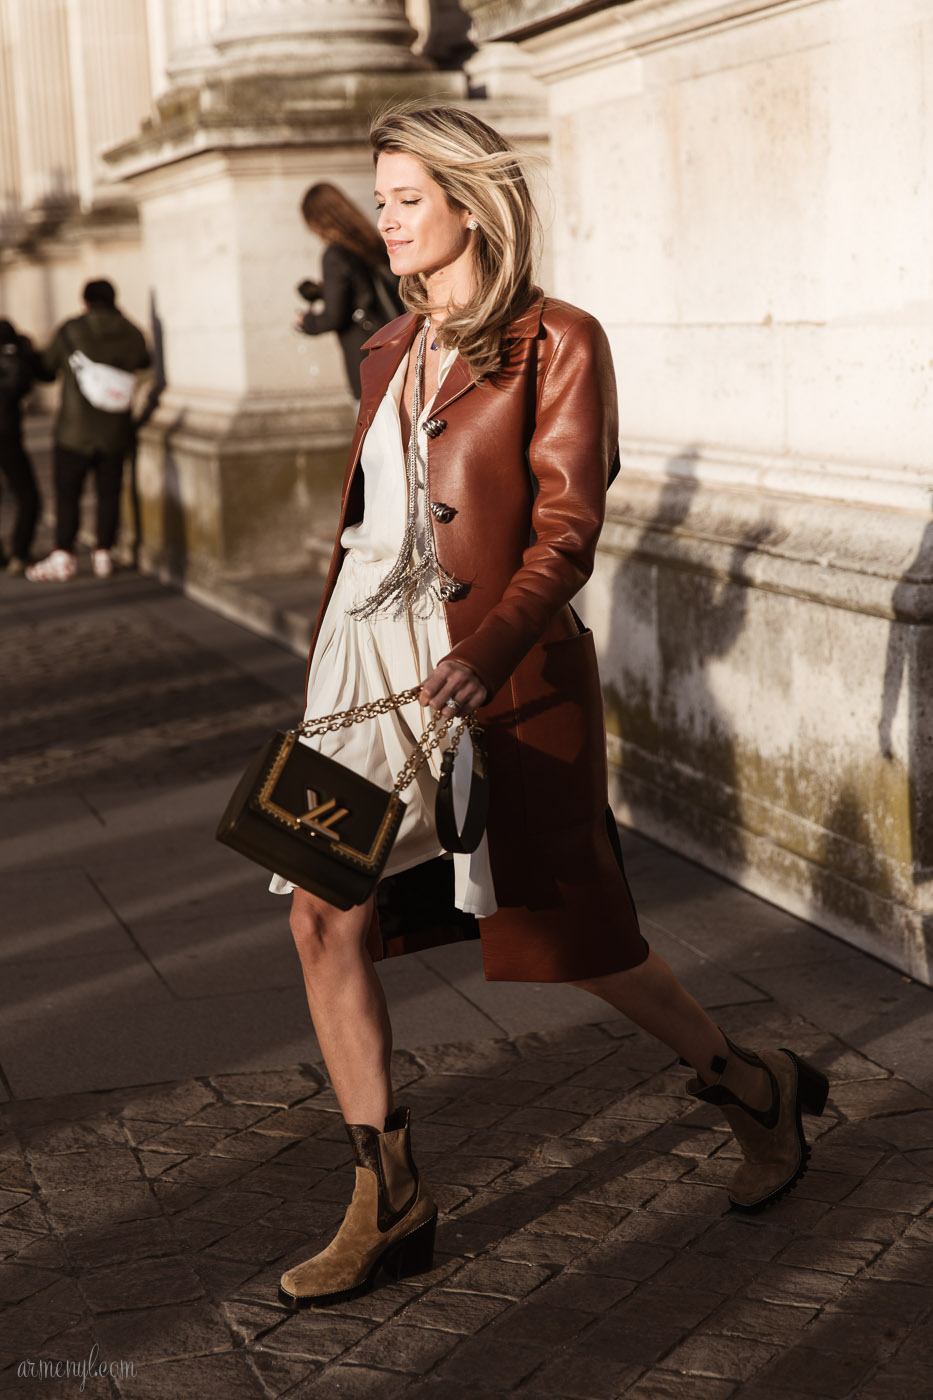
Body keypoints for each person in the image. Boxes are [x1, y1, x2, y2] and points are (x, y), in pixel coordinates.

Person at [273, 105, 830, 1311]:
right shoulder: (385, 347)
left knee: (575, 937)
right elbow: (374, 530)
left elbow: (568, 529)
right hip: (359, 672)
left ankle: (748, 1081)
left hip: (492, 668)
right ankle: (389, 1192)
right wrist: (323, 667)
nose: (388, 217)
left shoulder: (557, 340)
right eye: (383, 199)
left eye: (407, 197)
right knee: (321, 911)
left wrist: (493, 646)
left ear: (470, 203)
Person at [26, 280, 150, 582]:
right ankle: (104, 554)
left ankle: (64, 555)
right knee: (109, 493)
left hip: (74, 430)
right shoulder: (132, 331)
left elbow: (47, 369)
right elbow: (144, 361)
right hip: (115, 429)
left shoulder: (72, 330)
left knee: (68, 494)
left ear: (85, 301)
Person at [295, 182, 404, 400]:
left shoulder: (334, 255)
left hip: (365, 352)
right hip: (394, 339)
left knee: (369, 422)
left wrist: (306, 321)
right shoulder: (372, 243)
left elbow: (334, 317)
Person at [0, 318, 50, 573]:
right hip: (7, 436)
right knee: (28, 496)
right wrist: (26, 353)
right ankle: (19, 552)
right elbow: (43, 375)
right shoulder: (15, 357)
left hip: (8, 435)